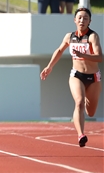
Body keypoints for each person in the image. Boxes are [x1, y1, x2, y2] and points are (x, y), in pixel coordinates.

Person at [40, 8, 101, 147]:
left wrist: (84, 55)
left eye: (85, 18)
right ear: (75, 20)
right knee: (78, 102)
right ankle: (81, 135)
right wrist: (49, 67)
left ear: (89, 21)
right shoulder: (69, 36)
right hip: (77, 75)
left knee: (90, 113)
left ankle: (87, 99)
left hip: (93, 77)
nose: (82, 21)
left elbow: (100, 57)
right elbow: (60, 50)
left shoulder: (92, 37)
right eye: (79, 18)